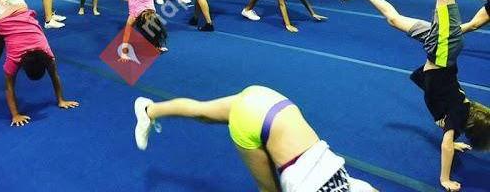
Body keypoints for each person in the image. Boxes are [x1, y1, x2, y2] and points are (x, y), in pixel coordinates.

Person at [342, 0, 490, 192]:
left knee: (394, 20)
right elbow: (446, 144)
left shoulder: (459, 110)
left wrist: (455, 138)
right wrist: (445, 179)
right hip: (442, 49)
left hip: (438, 46)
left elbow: (449, 131)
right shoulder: (457, 114)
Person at [133, 85, 377, 192]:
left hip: (269, 100)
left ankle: (148, 110)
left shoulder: (359, 187)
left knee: (202, 112)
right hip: (256, 122)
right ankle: (149, 111)